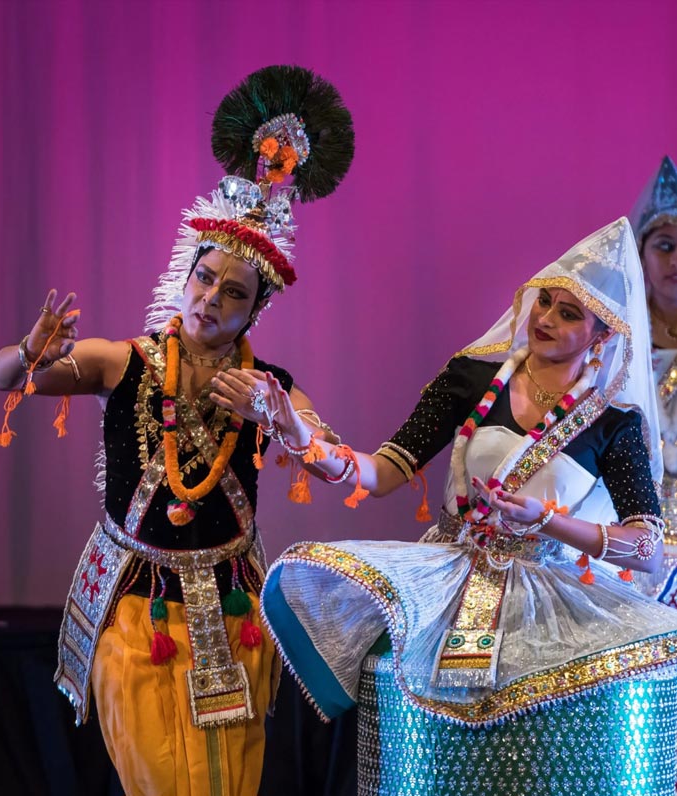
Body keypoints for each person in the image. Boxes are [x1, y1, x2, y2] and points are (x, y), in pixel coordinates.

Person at [0, 65, 354, 796]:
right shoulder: (120, 363)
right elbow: (2, 380)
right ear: (185, 278)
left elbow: (336, 464)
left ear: (255, 313)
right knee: (158, 779)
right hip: (137, 609)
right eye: (204, 280)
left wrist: (282, 422)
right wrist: (29, 353)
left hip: (236, 611)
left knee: (229, 782)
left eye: (234, 293)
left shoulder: (267, 389)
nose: (211, 299)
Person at [221, 218, 677, 795]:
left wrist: (547, 522)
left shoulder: (615, 423)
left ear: (602, 336)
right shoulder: (470, 378)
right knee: (431, 760)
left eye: (568, 314)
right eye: (544, 301)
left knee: (538, 759)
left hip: (550, 599)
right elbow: (380, 472)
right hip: (448, 580)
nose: (544, 319)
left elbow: (644, 548)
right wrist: (296, 434)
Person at [629, 155, 677, 604]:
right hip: (634, 507)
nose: (676, 260)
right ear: (640, 254)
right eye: (665, 245)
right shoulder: (617, 336)